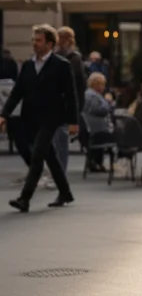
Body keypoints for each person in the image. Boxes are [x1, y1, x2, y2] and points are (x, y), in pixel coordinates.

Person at [0, 24, 79, 212]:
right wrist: (3, 115)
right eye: (33, 40)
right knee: (49, 156)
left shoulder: (62, 65)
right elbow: (17, 92)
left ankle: (24, 198)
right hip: (31, 117)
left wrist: (73, 122)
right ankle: (65, 192)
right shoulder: (27, 65)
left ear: (50, 44)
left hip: (52, 117)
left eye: (39, 40)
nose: (34, 44)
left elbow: (71, 95)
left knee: (37, 156)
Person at [53, 27, 87, 181]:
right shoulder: (57, 55)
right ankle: (56, 172)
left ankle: (60, 174)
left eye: (59, 38)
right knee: (55, 140)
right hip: (57, 104)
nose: (57, 41)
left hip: (67, 104)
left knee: (61, 141)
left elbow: (72, 82)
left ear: (67, 39)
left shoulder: (74, 58)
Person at [82, 72, 115, 173]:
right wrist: (109, 104)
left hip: (94, 127)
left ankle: (97, 162)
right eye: (102, 84)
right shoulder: (92, 96)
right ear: (97, 84)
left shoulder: (91, 94)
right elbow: (99, 110)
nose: (104, 87)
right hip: (97, 129)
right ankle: (97, 162)